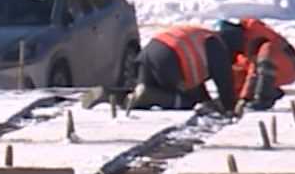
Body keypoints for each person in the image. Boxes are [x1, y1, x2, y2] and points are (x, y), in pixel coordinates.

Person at [86, 24, 237, 113]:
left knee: (138, 100)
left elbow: (197, 85)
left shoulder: (202, 34)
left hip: (151, 51)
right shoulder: (217, 45)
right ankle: (148, 94)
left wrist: (207, 100)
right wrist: (230, 107)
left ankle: (109, 94)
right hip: (170, 59)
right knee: (186, 103)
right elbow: (224, 80)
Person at [217, 17, 295, 112]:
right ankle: (270, 91)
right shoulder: (241, 51)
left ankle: (264, 98)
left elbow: (254, 69)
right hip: (271, 73)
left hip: (290, 66)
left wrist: (245, 98)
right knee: (237, 71)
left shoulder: (256, 34)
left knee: (267, 51)